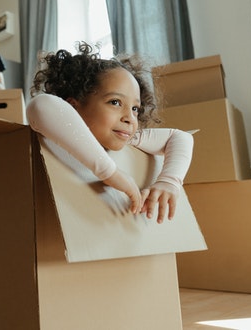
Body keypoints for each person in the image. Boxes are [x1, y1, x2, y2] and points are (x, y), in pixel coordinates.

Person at [26, 43, 193, 223]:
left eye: (135, 108)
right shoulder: (52, 125)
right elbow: (40, 105)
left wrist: (169, 182)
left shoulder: (126, 136)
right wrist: (110, 173)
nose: (130, 118)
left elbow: (181, 137)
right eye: (115, 102)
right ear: (73, 106)